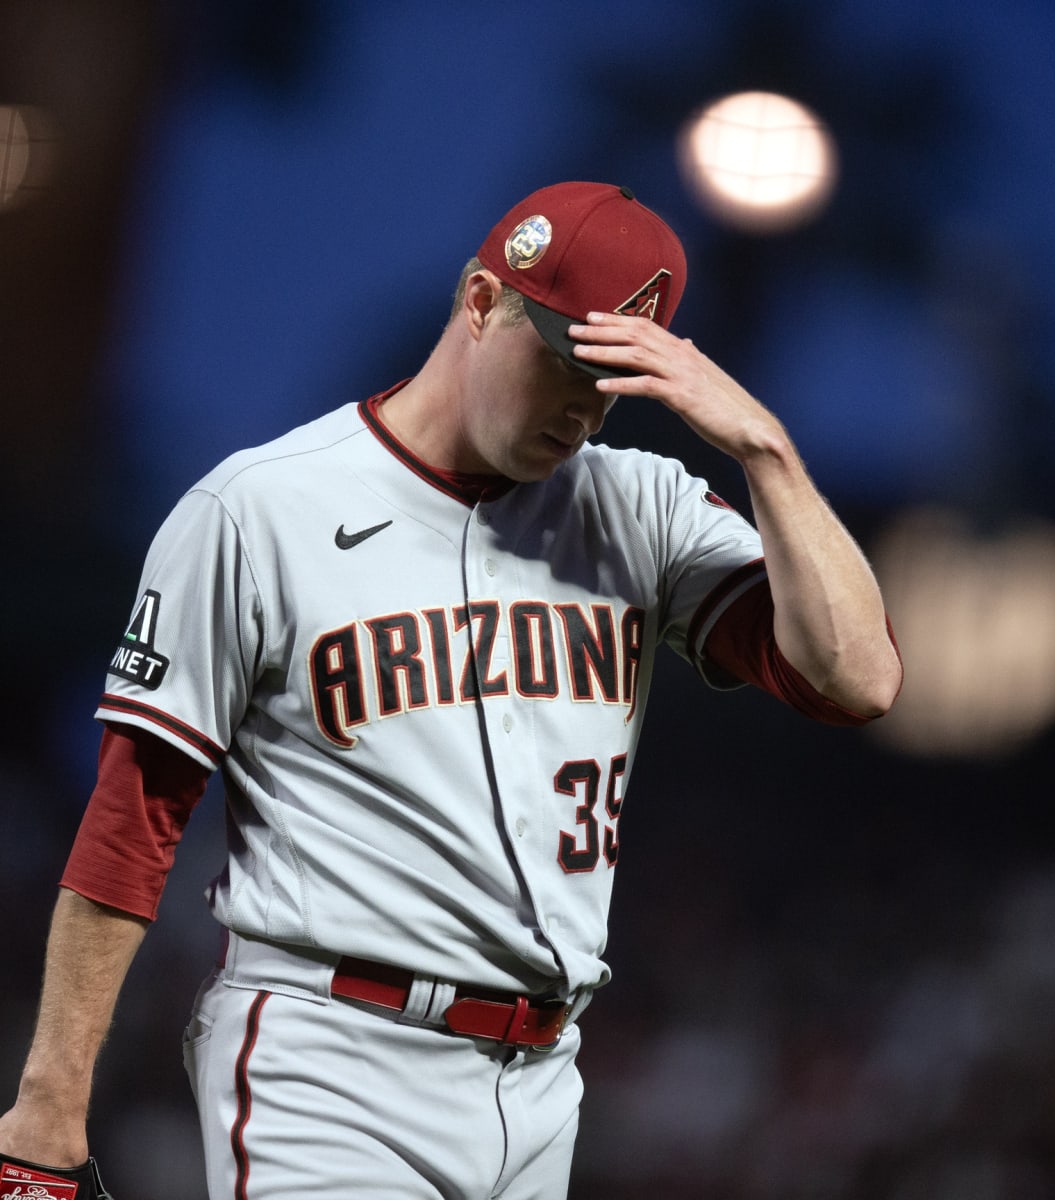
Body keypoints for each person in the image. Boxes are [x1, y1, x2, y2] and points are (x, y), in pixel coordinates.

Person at [0, 181, 902, 1199]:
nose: (583, 406)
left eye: (612, 378)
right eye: (563, 361)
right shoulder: (260, 510)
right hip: (330, 1060)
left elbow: (858, 678)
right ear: (481, 302)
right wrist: (48, 1103)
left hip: (543, 1081)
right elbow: (134, 817)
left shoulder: (640, 507)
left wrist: (764, 448)